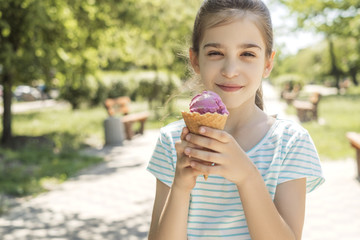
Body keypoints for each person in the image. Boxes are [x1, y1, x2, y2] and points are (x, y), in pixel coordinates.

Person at [147, 0, 324, 239]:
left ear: (268, 63)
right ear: (195, 60)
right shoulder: (173, 142)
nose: (230, 70)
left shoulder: (290, 144)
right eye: (215, 53)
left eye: (248, 54)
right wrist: (180, 188)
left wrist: (247, 176)